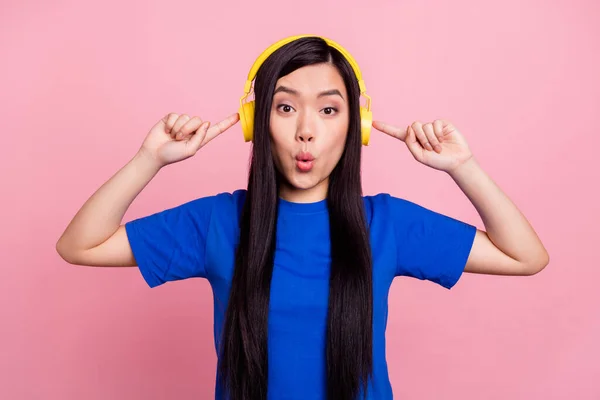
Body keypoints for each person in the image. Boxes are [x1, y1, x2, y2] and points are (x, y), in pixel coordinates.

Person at [56, 35, 549, 400]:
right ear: (256, 122)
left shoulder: (387, 224)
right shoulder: (219, 222)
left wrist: (462, 167)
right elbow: (80, 245)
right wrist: (151, 159)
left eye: (330, 111)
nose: (306, 132)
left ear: (357, 126)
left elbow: (525, 255)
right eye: (286, 107)